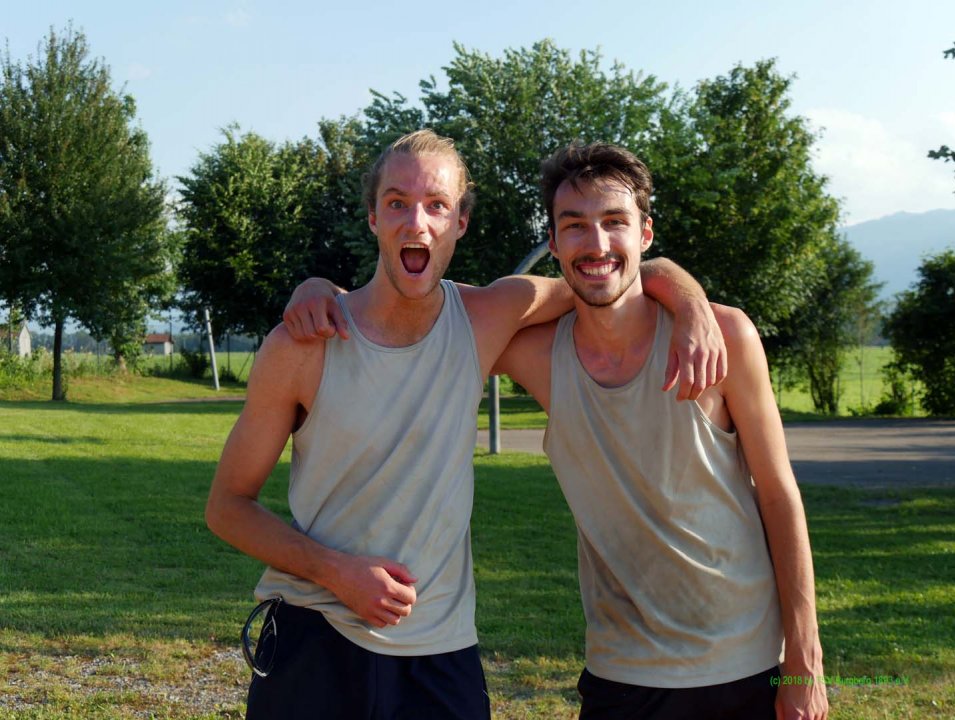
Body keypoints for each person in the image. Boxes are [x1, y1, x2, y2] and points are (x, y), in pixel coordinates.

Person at [206, 129, 724, 719]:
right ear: (372, 216)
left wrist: (690, 302)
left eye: (436, 205)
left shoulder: (486, 316)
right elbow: (227, 506)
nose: (416, 222)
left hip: (441, 656)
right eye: (397, 203)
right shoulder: (304, 344)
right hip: (313, 639)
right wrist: (336, 572)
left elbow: (607, 272)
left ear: (461, 222)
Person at [488, 142, 828, 719]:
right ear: (552, 243)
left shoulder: (726, 335)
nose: (595, 244)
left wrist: (804, 661)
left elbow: (778, 494)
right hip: (622, 675)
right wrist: (320, 294)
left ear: (645, 235)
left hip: (747, 665)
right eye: (574, 227)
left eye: (614, 223)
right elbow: (422, 320)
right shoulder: (537, 356)